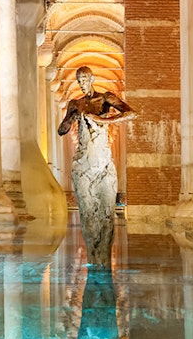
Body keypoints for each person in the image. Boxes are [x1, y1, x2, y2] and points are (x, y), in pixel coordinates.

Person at [57, 66, 137, 267]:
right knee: (88, 214)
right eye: (79, 81)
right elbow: (61, 130)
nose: (82, 84)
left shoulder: (106, 99)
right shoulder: (75, 103)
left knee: (107, 215)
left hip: (103, 165)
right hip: (83, 165)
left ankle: (105, 260)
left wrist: (103, 120)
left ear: (92, 79)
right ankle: (93, 258)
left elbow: (131, 113)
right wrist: (71, 118)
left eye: (84, 79)